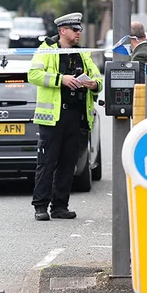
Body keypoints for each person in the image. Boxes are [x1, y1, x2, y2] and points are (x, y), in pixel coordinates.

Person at [27, 12, 102, 221]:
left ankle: (60, 206)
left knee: (68, 164)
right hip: (53, 118)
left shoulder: (83, 53)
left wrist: (94, 84)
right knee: (47, 163)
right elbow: (33, 75)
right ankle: (40, 206)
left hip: (76, 116)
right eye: (75, 29)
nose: (79, 33)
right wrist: (62, 79)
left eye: (79, 29)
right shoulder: (46, 50)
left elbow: (98, 78)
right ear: (63, 31)